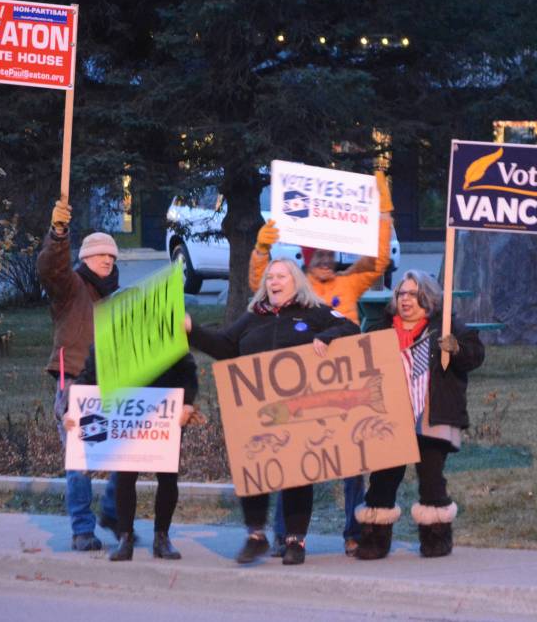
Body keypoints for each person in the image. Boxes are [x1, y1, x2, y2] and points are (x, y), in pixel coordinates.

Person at [249, 170, 394, 557]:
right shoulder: (296, 290)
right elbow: (259, 283)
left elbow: (378, 260)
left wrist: (383, 212)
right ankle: (285, 535)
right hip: (300, 385)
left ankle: (353, 531)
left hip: (344, 383)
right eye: (320, 255)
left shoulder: (349, 283)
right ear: (307, 258)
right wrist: (261, 251)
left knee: (353, 465)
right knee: (293, 460)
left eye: (332, 255)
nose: (327, 261)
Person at [185, 258, 359, 565]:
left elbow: (349, 327)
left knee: (296, 473)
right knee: (254, 469)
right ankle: (256, 535)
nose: (274, 282)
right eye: (270, 277)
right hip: (258, 410)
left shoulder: (313, 312)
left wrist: (326, 338)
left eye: (281, 276)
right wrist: (192, 330)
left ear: (296, 282)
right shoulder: (254, 317)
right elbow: (225, 345)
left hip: (298, 407)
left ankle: (295, 541)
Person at [353, 270, 484, 560]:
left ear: (427, 298)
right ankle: (374, 540)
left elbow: (476, 355)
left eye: (413, 294)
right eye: (401, 294)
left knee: (431, 478)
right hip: (391, 418)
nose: (406, 300)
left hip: (432, 415)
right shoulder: (379, 328)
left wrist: (456, 348)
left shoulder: (446, 326)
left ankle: (436, 540)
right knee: (383, 480)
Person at [37, 199, 121, 551]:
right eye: (100, 254)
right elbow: (51, 269)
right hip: (74, 383)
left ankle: (114, 513)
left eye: (112, 256)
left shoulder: (115, 298)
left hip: (112, 386)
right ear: (84, 259)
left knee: (123, 458)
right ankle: (83, 530)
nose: (107, 260)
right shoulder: (70, 288)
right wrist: (58, 234)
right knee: (82, 461)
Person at [74, 345, 199, 562]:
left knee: (167, 476)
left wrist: (187, 401)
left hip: (164, 411)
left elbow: (186, 369)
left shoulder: (166, 327)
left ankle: (162, 538)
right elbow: (92, 370)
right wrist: (72, 405)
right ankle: (125, 537)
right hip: (126, 408)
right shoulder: (113, 329)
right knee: (125, 475)